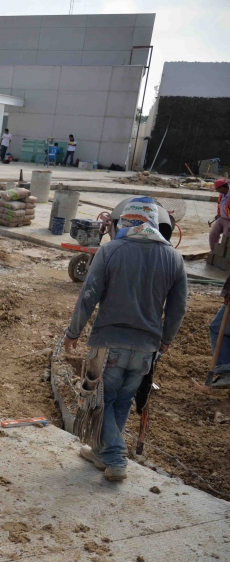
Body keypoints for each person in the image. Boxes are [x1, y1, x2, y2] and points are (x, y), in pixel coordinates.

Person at [64, 197, 187, 482]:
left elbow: (89, 295)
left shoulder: (110, 250)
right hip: (146, 349)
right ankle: (101, 452)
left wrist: (73, 333)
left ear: (126, 223)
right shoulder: (173, 257)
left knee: (101, 402)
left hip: (109, 344)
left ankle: (116, 455)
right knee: (121, 402)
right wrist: (166, 339)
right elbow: (178, 308)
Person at [208, 178, 230, 251]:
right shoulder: (222, 194)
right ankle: (214, 253)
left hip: (229, 220)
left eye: (217, 188)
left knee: (226, 238)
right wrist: (219, 214)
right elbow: (222, 205)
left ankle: (225, 255)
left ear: (222, 187)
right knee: (213, 235)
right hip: (222, 218)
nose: (216, 190)